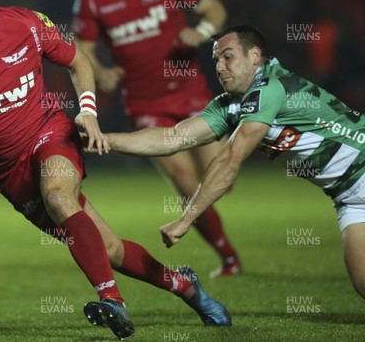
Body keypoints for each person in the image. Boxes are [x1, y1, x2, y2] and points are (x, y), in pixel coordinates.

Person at [0, 0, 231, 340]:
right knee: (108, 248)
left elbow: (77, 60)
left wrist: (88, 111)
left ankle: (113, 302)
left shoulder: (26, 24)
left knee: (59, 196)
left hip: (51, 132)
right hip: (10, 174)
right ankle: (185, 285)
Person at [91, 25, 365, 299]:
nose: (220, 67)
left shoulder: (270, 87)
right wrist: (102, 139)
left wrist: (187, 219)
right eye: (216, 60)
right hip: (346, 197)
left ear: (255, 56)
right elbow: (172, 139)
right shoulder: (231, 104)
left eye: (228, 57)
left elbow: (230, 162)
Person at [72, 0, 241, 277]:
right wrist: (101, 71)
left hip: (192, 94)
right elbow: (82, 50)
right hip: (144, 104)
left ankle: (223, 249)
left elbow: (214, 10)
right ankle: (228, 256)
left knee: (220, 177)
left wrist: (203, 33)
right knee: (185, 181)